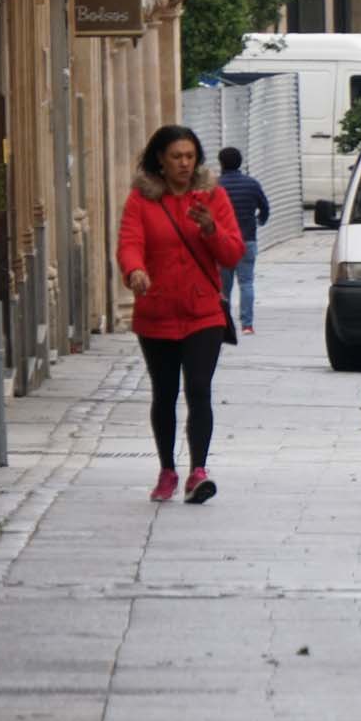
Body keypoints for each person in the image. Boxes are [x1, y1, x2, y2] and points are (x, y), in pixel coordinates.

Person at [117, 125, 245, 503]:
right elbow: (129, 243)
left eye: (190, 156)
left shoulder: (212, 197)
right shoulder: (141, 201)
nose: (185, 164)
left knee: (199, 390)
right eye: (177, 156)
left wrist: (211, 229)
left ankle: (199, 471)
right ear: (160, 159)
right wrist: (135, 271)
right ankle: (167, 470)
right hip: (156, 313)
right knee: (165, 393)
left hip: (202, 312)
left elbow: (233, 252)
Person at [215, 146, 271, 334]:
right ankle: (247, 325)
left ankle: (224, 323)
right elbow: (264, 207)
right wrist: (259, 221)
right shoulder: (252, 184)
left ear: (221, 163)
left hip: (223, 242)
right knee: (246, 283)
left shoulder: (216, 186)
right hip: (247, 239)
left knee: (224, 286)